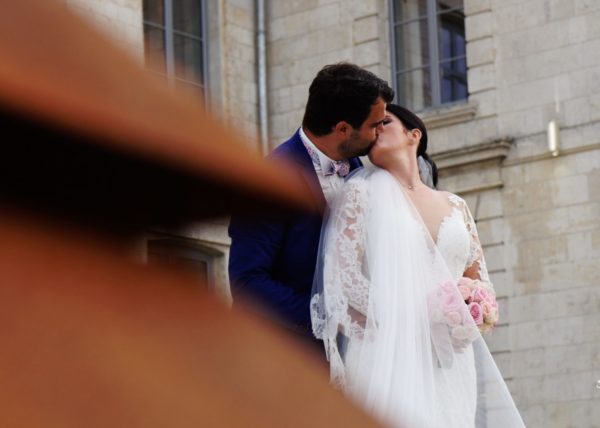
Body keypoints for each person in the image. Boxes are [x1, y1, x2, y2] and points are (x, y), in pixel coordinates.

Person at [311, 104, 525, 427]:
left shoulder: (457, 206)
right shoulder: (360, 193)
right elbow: (344, 278)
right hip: (386, 353)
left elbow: (482, 283)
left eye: (385, 122)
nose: (376, 130)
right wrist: (415, 316)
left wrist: (471, 306)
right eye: (372, 126)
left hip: (449, 365)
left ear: (414, 135)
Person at [228, 63, 394, 350]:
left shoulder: (357, 166)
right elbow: (247, 282)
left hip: (350, 356)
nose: (381, 131)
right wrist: (327, 318)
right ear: (343, 128)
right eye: (375, 124)